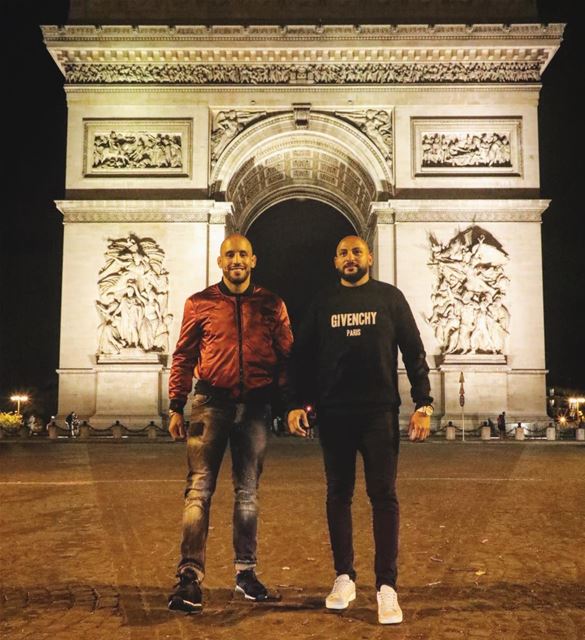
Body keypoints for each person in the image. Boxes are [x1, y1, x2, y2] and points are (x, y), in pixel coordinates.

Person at [287, 235, 433, 625]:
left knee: (383, 496)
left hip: (379, 413)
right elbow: (300, 357)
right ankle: (344, 578)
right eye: (342, 253)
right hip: (335, 414)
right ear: (334, 262)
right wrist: (294, 403)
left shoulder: (391, 297)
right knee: (338, 495)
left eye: (356, 251)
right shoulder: (322, 302)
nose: (350, 258)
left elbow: (414, 350)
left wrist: (424, 403)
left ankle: (387, 587)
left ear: (369, 255)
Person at [167, 234, 293, 614]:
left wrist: (288, 405)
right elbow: (184, 354)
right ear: (220, 261)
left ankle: (245, 574)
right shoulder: (199, 303)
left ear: (253, 260)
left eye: (242, 254)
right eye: (230, 254)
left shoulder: (272, 303)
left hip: (254, 406)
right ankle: (189, 578)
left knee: (248, 493)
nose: (236, 260)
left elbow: (286, 357)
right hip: (210, 403)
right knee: (198, 491)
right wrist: (176, 403)